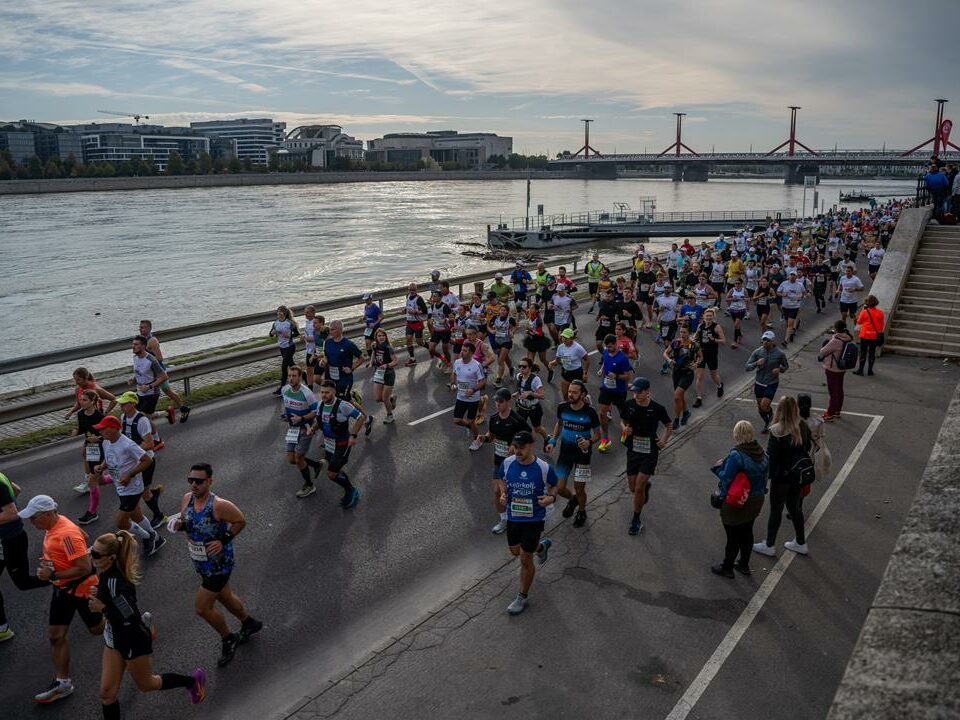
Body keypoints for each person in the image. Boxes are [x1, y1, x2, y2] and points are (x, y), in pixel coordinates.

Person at [88, 530, 207, 718]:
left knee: (147, 685)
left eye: (95, 554)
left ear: (111, 557)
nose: (91, 557)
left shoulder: (117, 583)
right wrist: (99, 593)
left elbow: (129, 616)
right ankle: (148, 628)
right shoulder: (105, 573)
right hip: (114, 637)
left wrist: (102, 609)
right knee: (107, 694)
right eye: (91, 551)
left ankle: (192, 681)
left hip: (131, 639)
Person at [171, 463, 262, 667]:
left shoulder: (219, 505)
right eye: (191, 480)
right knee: (225, 596)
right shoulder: (187, 499)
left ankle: (228, 638)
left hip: (219, 565)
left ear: (209, 482)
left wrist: (223, 539)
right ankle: (249, 623)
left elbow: (240, 521)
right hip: (200, 561)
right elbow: (187, 522)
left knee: (202, 608)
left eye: (199, 481)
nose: (194, 484)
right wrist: (179, 526)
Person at [19, 495, 104, 704]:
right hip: (62, 590)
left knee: (97, 630)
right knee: (56, 636)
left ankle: (130, 622)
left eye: (34, 518)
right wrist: (54, 565)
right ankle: (63, 683)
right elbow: (83, 536)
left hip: (82, 591)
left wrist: (53, 574)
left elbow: (84, 567)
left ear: (48, 514)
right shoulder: (54, 526)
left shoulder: (66, 533)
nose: (31, 522)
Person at [496, 430, 557, 615]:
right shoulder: (507, 463)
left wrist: (551, 498)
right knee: (516, 551)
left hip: (535, 518)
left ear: (531, 445)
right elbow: (501, 479)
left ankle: (522, 596)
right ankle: (541, 547)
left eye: (522, 447)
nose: (517, 450)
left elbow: (555, 485)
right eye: (515, 446)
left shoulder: (543, 467)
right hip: (514, 516)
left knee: (525, 557)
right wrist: (503, 493)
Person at [93, 416, 165, 557]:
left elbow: (147, 460)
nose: (100, 431)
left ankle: (148, 537)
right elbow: (109, 458)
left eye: (103, 428)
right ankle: (157, 539)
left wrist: (130, 475)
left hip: (132, 488)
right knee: (136, 515)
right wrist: (101, 466)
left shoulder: (127, 445)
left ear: (114, 428)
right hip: (120, 486)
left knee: (121, 522)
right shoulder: (106, 442)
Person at [753, 396, 812, 558]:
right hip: (797, 476)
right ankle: (801, 542)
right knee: (795, 509)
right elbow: (807, 447)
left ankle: (770, 544)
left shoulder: (777, 430)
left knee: (776, 511)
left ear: (779, 409)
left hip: (781, 478)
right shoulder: (802, 426)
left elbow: (771, 458)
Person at [710, 420, 769, 578]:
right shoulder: (762, 453)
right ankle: (743, 564)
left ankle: (727, 567)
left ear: (736, 434)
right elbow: (765, 478)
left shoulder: (736, 455)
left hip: (738, 500)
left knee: (732, 535)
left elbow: (726, 478)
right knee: (747, 531)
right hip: (756, 498)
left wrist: (717, 468)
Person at [0, 472, 49, 644]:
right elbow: (17, 490)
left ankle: (66, 578)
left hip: (11, 541)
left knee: (23, 583)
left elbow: (12, 513)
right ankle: (2, 629)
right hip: (5, 540)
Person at [545, 380, 601, 529]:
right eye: (570, 391)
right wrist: (553, 441)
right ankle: (573, 500)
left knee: (579, 487)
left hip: (583, 455)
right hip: (565, 453)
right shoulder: (562, 407)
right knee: (559, 487)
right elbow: (559, 423)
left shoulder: (590, 412)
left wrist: (589, 442)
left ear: (583, 395)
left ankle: (582, 511)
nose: (571, 394)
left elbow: (597, 434)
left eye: (575, 392)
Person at [620, 378, 672, 536]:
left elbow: (668, 426)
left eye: (639, 391)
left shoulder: (657, 408)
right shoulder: (629, 404)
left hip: (650, 451)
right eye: (634, 391)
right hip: (633, 450)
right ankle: (643, 490)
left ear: (648, 391)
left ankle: (636, 520)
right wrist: (625, 429)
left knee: (638, 487)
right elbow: (622, 421)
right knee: (632, 488)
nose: (636, 394)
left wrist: (663, 440)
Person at [310, 380, 365, 508]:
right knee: (336, 470)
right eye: (322, 392)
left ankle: (351, 490)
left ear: (334, 392)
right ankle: (351, 490)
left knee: (331, 474)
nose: (323, 395)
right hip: (329, 444)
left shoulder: (343, 405)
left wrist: (353, 435)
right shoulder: (320, 405)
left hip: (342, 444)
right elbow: (319, 422)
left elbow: (360, 417)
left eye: (327, 392)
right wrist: (313, 428)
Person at [484, 388, 532, 534]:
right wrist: (484, 438)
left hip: (515, 463)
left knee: (517, 493)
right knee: (498, 491)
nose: (498, 404)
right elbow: (491, 436)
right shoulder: (493, 419)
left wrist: (515, 446)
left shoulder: (516, 420)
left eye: (501, 401)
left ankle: (525, 519)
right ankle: (504, 520)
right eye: (496, 401)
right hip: (499, 462)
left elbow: (529, 437)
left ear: (508, 402)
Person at [116, 391, 165, 529]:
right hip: (133, 460)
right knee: (138, 491)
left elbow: (149, 444)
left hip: (146, 461)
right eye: (121, 404)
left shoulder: (142, 420)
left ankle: (159, 516)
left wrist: (132, 448)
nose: (121, 406)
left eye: (124, 404)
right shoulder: (123, 417)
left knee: (143, 493)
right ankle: (139, 516)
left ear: (133, 404)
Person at [320, 320, 372, 433]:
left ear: (339, 330)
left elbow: (362, 358)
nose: (330, 331)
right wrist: (323, 362)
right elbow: (326, 357)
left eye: (332, 329)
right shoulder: (328, 342)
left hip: (344, 379)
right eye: (330, 329)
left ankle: (344, 430)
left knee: (342, 403)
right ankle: (367, 418)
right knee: (339, 401)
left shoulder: (348, 344)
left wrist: (352, 368)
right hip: (330, 377)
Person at [280, 366, 323, 499]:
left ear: (300, 377)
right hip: (292, 429)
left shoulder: (307, 394)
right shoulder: (285, 390)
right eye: (289, 376)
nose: (291, 379)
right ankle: (317, 465)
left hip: (306, 428)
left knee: (298, 458)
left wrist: (302, 418)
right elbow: (287, 406)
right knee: (291, 459)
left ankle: (309, 485)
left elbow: (316, 412)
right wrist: (286, 416)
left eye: (294, 376)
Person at [139, 320, 191, 424]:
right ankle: (181, 408)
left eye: (143, 328)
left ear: (149, 329)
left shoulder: (152, 341)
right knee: (166, 392)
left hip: (158, 372)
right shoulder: (143, 340)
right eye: (140, 327)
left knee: (166, 392)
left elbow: (159, 358)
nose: (140, 329)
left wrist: (151, 367)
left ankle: (181, 409)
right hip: (151, 372)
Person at [745, 330, 789, 433]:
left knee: (764, 405)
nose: (765, 342)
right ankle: (767, 422)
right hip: (759, 382)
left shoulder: (780, 353)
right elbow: (747, 367)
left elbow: (785, 366)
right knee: (760, 409)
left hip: (771, 383)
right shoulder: (758, 352)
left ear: (773, 341)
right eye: (763, 340)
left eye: (768, 340)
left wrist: (780, 370)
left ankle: (771, 417)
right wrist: (756, 363)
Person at [597, 334, 634, 451]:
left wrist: (617, 376)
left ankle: (626, 430)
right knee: (602, 414)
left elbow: (628, 376)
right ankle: (605, 439)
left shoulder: (623, 358)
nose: (608, 349)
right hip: (606, 389)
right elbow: (605, 362)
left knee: (623, 414)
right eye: (607, 347)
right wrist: (601, 369)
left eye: (611, 347)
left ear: (616, 344)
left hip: (619, 391)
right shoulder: (606, 353)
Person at [450, 342, 487, 451]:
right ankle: (470, 427)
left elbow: (483, 381)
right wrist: (452, 383)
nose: (462, 352)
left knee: (471, 421)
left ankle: (478, 440)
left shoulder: (476, 365)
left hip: (473, 398)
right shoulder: (457, 362)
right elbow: (454, 374)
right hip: (460, 397)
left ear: (471, 353)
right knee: (457, 420)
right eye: (462, 350)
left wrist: (473, 389)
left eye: (465, 351)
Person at [664, 325, 702, 430]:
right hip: (676, 372)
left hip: (687, 373)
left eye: (685, 332)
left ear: (689, 333)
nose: (682, 334)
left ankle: (676, 420)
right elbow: (666, 353)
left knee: (676, 397)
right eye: (681, 332)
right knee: (680, 395)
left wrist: (696, 364)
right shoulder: (675, 342)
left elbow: (700, 356)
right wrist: (669, 360)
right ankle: (686, 413)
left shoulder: (694, 345)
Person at [817, 320, 853, 421]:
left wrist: (830, 339)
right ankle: (837, 410)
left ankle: (830, 413)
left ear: (836, 328)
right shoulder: (848, 338)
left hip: (833, 368)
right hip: (842, 368)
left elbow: (823, 351)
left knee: (833, 391)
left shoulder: (836, 340)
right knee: (839, 389)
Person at [693, 307, 725, 409]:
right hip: (701, 354)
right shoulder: (700, 326)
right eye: (707, 316)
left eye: (710, 316)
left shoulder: (716, 327)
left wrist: (714, 339)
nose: (708, 318)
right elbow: (696, 337)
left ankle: (720, 386)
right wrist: (693, 339)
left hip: (712, 354)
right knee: (699, 377)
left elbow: (723, 341)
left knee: (714, 376)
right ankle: (699, 398)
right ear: (703, 317)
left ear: (713, 317)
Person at [513, 360, 549, 445]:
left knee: (537, 428)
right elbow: (521, 389)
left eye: (524, 367)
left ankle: (547, 438)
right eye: (520, 366)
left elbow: (542, 395)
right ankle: (524, 445)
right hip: (522, 407)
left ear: (530, 368)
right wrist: (517, 393)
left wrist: (530, 393)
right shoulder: (519, 376)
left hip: (534, 408)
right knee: (520, 426)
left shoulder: (535, 379)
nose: (521, 368)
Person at [550, 328, 590, 399]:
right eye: (563, 337)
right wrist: (552, 363)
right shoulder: (560, 347)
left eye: (566, 338)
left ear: (571, 339)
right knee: (565, 395)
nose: (563, 339)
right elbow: (558, 360)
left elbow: (587, 360)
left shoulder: (578, 348)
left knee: (578, 396)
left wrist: (585, 373)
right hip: (565, 372)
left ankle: (587, 399)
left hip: (576, 373)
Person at [370, 328, 399, 423]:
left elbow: (396, 361)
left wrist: (386, 365)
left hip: (388, 374)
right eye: (379, 336)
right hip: (378, 374)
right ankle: (392, 398)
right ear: (376, 337)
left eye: (383, 335)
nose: (381, 337)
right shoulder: (375, 346)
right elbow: (373, 354)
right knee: (378, 398)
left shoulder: (388, 347)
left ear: (386, 337)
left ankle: (390, 415)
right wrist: (371, 363)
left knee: (384, 398)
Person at [269, 306, 299, 395]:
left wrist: (289, 336)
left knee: (284, 367)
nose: (279, 313)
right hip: (282, 348)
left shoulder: (289, 323)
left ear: (285, 313)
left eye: (281, 312)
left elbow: (296, 333)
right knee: (292, 365)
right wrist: (272, 333)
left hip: (290, 347)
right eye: (278, 312)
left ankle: (281, 389)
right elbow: (270, 334)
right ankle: (304, 375)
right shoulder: (275, 323)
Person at [854, 295, 885, 376]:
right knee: (872, 352)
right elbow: (881, 325)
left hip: (865, 335)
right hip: (874, 336)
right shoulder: (880, 312)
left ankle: (861, 370)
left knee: (863, 352)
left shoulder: (864, 312)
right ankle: (870, 371)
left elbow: (859, 322)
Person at [403, 283, 429, 366]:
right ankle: (412, 358)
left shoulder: (419, 299)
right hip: (409, 322)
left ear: (416, 290)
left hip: (417, 322)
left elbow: (425, 311)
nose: (412, 291)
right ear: (408, 290)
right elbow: (408, 307)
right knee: (408, 339)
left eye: (413, 290)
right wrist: (404, 310)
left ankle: (431, 348)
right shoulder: (408, 296)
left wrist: (415, 312)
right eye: (410, 290)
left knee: (419, 342)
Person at [361, 293, 383, 358]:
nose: (366, 301)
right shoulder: (366, 307)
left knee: (376, 344)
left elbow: (381, 317)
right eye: (365, 300)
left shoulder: (375, 307)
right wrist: (362, 318)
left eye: (367, 300)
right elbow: (366, 316)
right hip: (368, 328)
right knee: (367, 343)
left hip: (376, 328)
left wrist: (374, 323)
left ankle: (378, 358)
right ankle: (371, 359)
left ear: (371, 299)